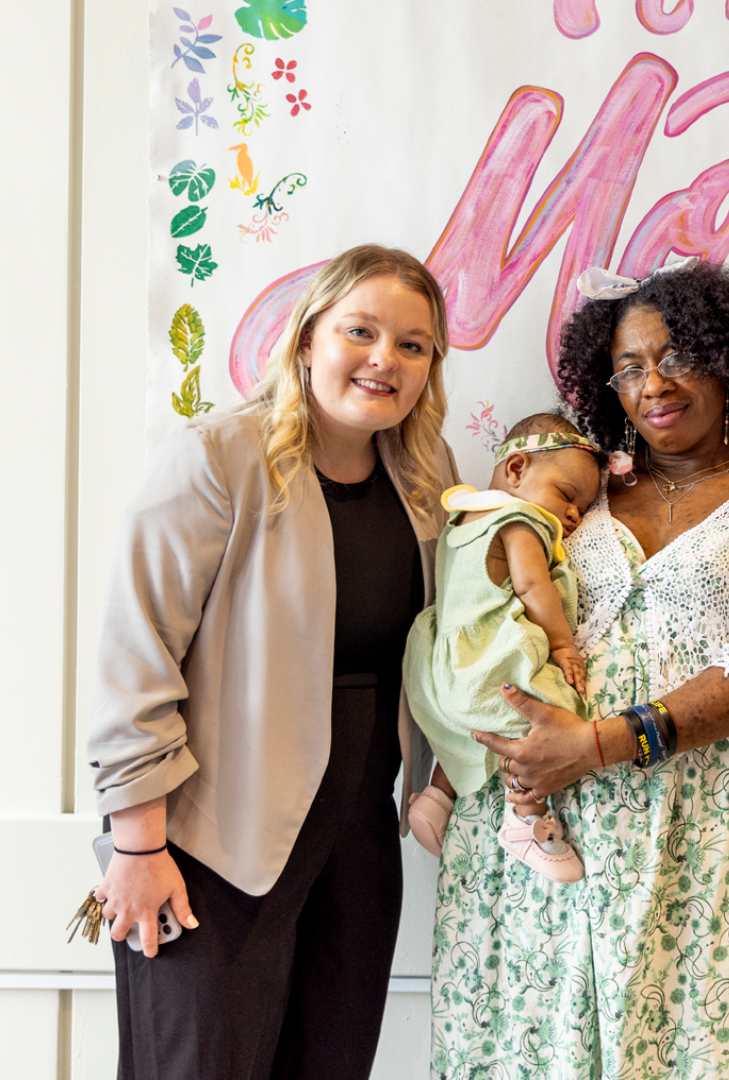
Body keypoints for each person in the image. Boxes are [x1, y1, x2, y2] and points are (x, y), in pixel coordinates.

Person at [429, 259, 729, 1079]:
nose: (654, 383)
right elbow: (471, 609)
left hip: (705, 833)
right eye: (629, 367)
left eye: (679, 355)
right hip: (538, 831)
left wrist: (599, 743)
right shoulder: (574, 492)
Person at [86, 245, 459, 1080]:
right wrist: (138, 848)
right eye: (360, 331)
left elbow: (451, 650)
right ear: (306, 340)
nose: (383, 359)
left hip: (359, 841)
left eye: (413, 344)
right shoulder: (218, 457)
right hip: (211, 846)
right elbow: (134, 656)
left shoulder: (429, 478)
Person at [402, 412, 605, 884]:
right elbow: (533, 585)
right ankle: (526, 818)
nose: (574, 515)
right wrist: (561, 643)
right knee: (544, 720)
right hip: (490, 666)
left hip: (446, 668)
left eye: (584, 507)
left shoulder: (462, 516)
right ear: (516, 470)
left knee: (474, 733)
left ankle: (435, 799)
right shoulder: (519, 521)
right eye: (568, 496)